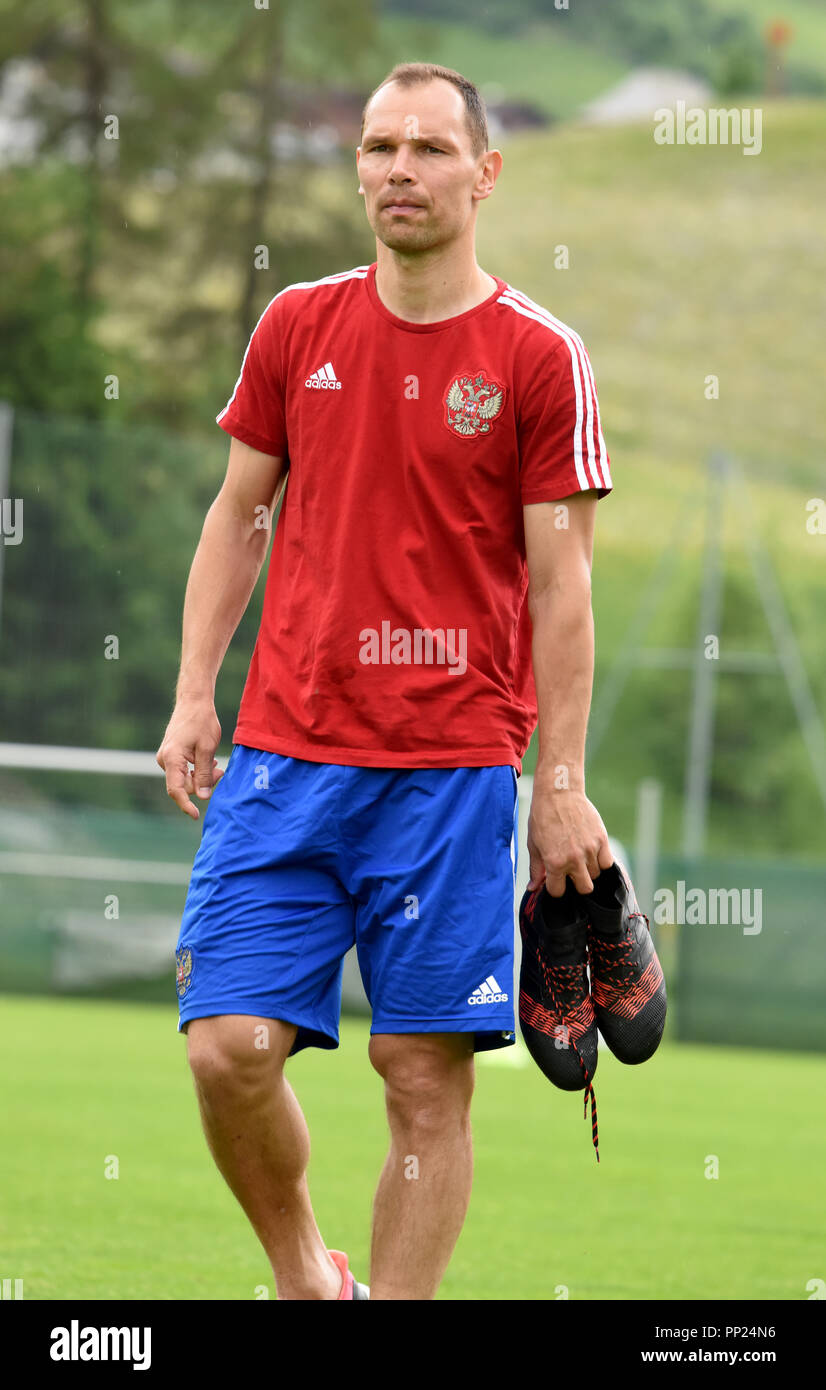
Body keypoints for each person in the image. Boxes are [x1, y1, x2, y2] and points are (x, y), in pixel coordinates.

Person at [156, 61, 614, 1301]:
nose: (397, 171)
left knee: (420, 1079)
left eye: (425, 149)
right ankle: (309, 1274)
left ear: (485, 170)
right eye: (376, 148)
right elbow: (238, 512)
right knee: (228, 1050)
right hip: (283, 760)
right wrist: (196, 690)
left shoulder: (537, 355)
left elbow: (564, 587)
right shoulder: (298, 323)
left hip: (452, 777)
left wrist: (559, 783)